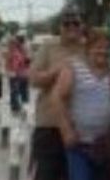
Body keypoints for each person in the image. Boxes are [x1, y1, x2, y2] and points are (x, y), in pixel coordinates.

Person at [29, 9, 86, 180]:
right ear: (59, 27)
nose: (71, 27)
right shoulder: (49, 47)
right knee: (46, 173)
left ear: (81, 26)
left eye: (75, 23)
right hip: (49, 124)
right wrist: (57, 70)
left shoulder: (87, 48)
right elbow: (33, 79)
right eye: (66, 24)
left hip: (76, 125)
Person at [52, 31, 110, 180]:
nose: (103, 51)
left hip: (104, 145)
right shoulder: (74, 68)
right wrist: (66, 130)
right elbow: (56, 98)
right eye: (98, 47)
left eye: (107, 48)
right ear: (88, 48)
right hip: (79, 144)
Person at [7, 35, 31, 113]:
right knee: (20, 92)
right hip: (22, 74)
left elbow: (15, 65)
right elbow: (26, 62)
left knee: (15, 92)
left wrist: (12, 70)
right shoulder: (21, 51)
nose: (10, 45)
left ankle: (17, 108)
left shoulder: (16, 52)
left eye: (11, 44)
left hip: (17, 75)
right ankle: (20, 107)